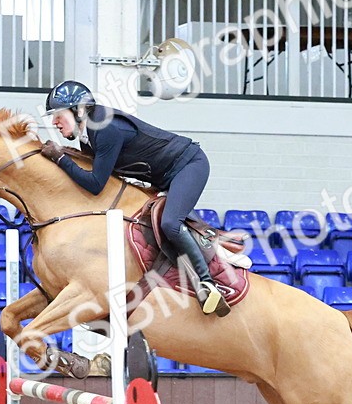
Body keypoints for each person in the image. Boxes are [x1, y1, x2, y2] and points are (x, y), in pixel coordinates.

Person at [39, 80, 227, 316]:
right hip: (162, 177)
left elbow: (96, 184)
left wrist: (60, 158)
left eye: (58, 115)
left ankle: (208, 283)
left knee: (170, 223)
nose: (54, 123)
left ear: (78, 111)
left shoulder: (104, 129)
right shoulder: (88, 136)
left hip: (188, 165)